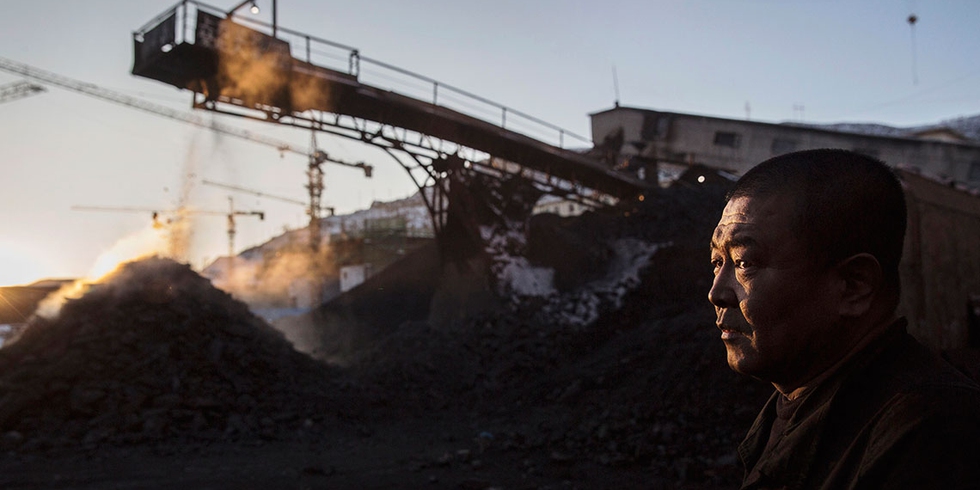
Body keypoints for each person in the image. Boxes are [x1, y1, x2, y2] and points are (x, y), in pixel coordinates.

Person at [708, 148, 980, 489]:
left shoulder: (936, 437)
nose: (716, 292)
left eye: (745, 262)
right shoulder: (798, 400)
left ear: (854, 286)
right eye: (718, 262)